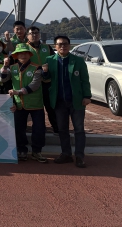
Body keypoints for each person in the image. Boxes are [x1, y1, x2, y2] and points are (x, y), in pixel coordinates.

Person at [43, 35, 91, 168]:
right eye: (59, 44)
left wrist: (87, 96)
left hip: (76, 100)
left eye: (65, 44)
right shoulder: (49, 60)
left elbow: (85, 80)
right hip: (59, 101)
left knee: (79, 129)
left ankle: (79, 156)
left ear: (69, 46)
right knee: (62, 129)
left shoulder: (78, 60)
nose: (62, 46)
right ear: (55, 46)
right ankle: (66, 154)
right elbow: (46, 79)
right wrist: (45, 72)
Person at [8, 43, 47, 163]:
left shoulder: (37, 68)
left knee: (39, 128)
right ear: (16, 55)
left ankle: (37, 151)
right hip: (19, 104)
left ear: (30, 54)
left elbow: (35, 85)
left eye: (25, 53)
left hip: (36, 104)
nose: (23, 55)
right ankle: (22, 150)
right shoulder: (12, 67)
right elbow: (3, 79)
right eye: (20, 53)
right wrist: (4, 66)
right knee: (19, 129)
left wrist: (18, 92)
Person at [27, 26, 58, 134]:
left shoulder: (47, 47)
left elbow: (54, 61)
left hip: (47, 82)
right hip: (32, 83)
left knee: (50, 107)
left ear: (39, 34)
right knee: (36, 108)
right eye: (32, 33)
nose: (34, 35)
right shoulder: (24, 48)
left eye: (36, 33)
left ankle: (56, 128)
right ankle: (40, 128)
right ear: (27, 36)